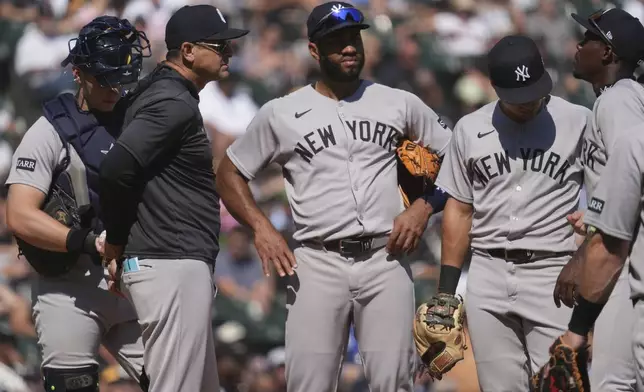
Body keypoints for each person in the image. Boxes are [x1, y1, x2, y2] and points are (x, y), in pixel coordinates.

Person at [215, 2, 452, 390]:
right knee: (309, 383)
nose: (348, 47)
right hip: (316, 261)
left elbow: (457, 156)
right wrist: (261, 228)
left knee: (394, 382)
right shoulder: (281, 112)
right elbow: (229, 172)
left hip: (385, 257)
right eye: (336, 40)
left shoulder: (398, 101)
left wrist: (424, 208)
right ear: (314, 50)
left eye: (353, 38)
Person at [98, 4, 249, 392]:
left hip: (173, 260)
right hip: (171, 261)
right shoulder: (171, 101)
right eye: (219, 45)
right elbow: (117, 168)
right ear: (188, 51)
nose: (229, 52)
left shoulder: (169, 94)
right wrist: (114, 240)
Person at [433, 34, 593, 391]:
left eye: (534, 90)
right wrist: (446, 293)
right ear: (494, 86)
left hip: (555, 273)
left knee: (561, 384)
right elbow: (459, 210)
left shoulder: (579, 121)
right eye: (517, 97)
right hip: (488, 274)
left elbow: (605, 201)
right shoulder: (470, 129)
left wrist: (584, 260)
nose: (528, 102)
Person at [4, 16, 150, 392]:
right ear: (79, 73)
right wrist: (87, 242)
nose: (115, 88)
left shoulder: (143, 121)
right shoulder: (51, 128)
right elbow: (19, 213)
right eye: (105, 77)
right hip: (71, 283)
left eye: (122, 77)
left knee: (183, 381)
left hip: (138, 276)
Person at [548, 8, 644, 391]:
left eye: (587, 38)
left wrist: (586, 251)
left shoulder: (617, 101)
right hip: (621, 249)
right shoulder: (619, 99)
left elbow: (632, 177)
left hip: (622, 256)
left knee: (610, 382)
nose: (578, 45)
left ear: (607, 53)